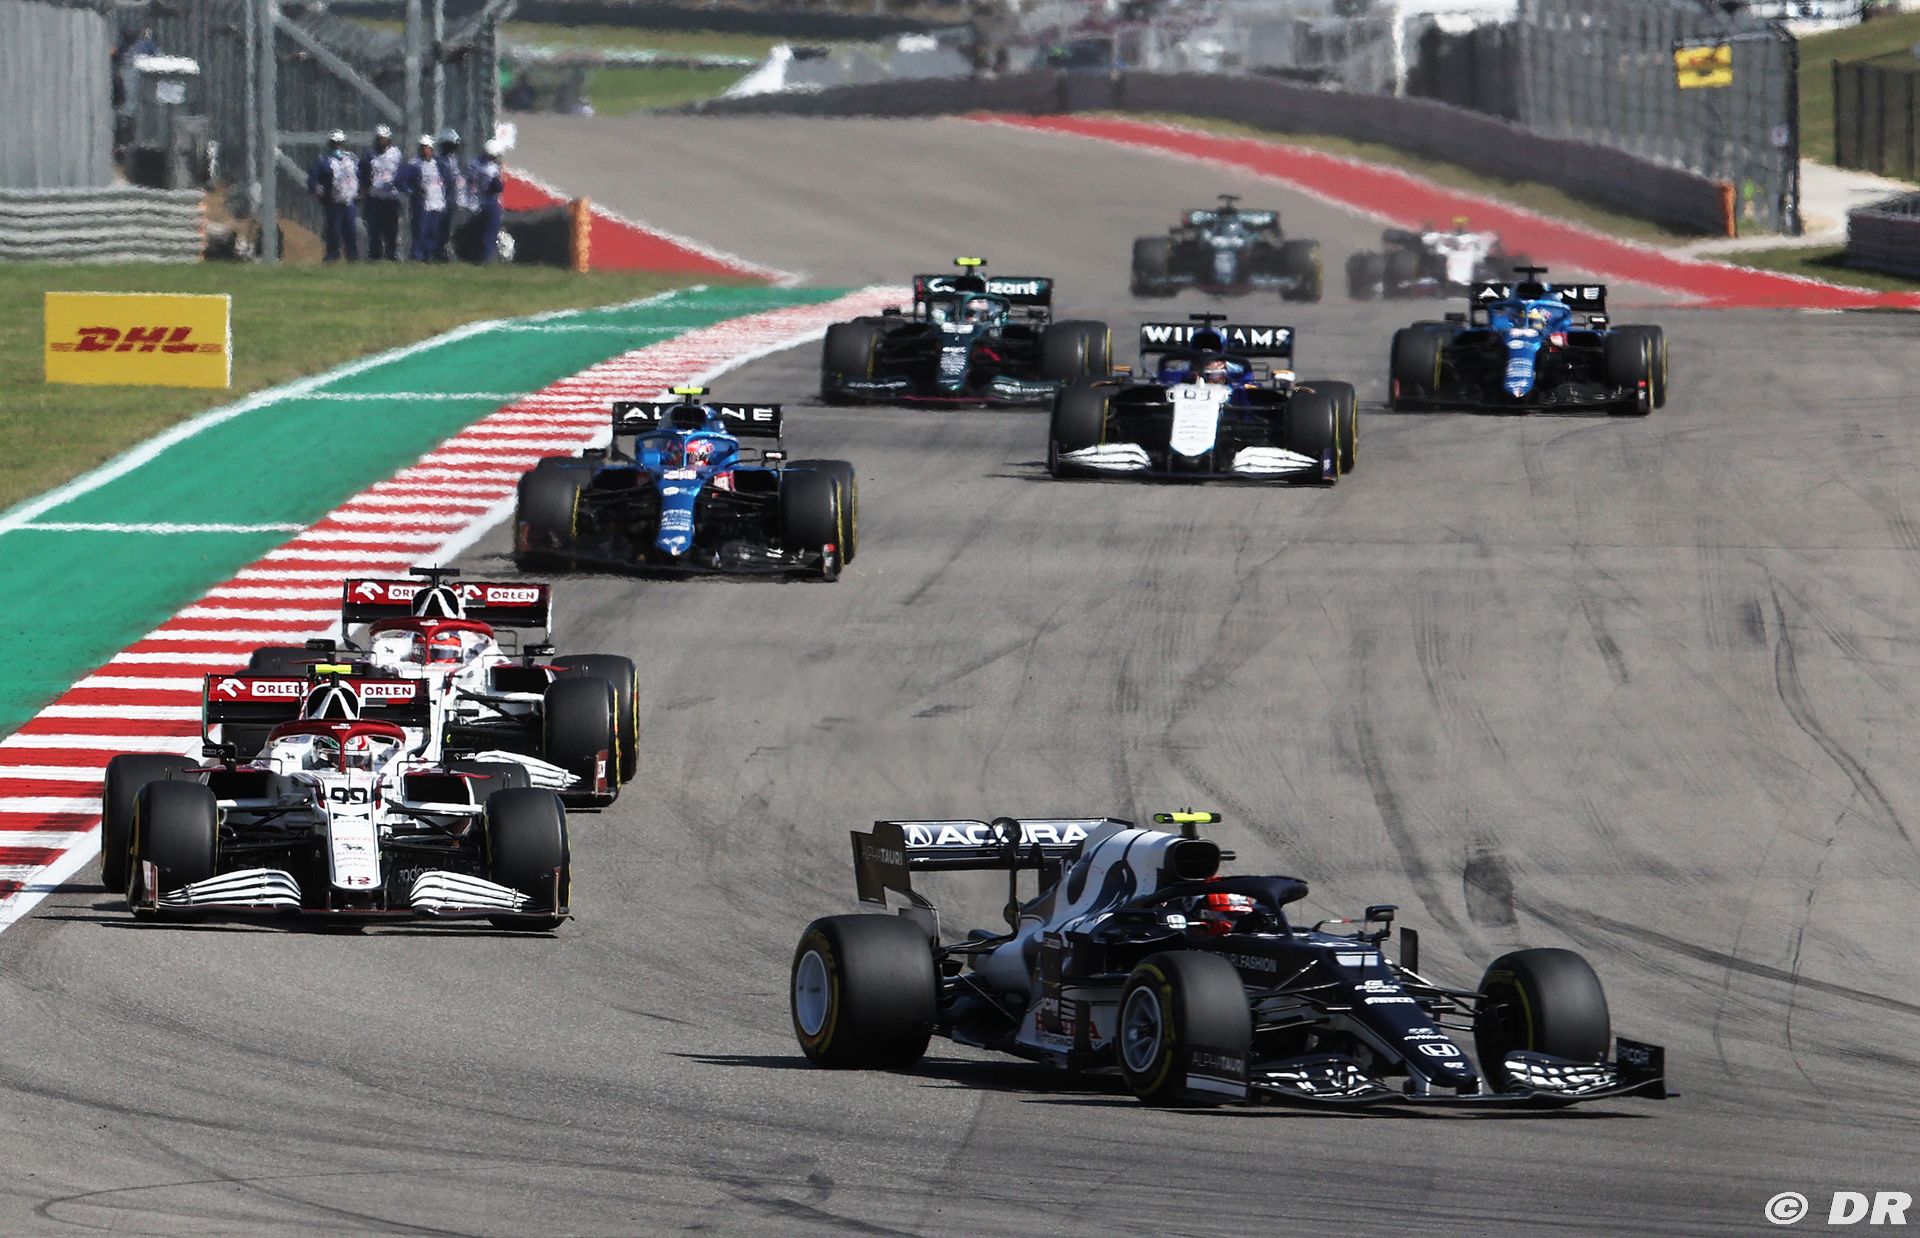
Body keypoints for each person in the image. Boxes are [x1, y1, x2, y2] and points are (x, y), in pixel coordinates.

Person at [306, 130, 361, 262]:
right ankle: (332, 256)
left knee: (351, 231)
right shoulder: (324, 161)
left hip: (349, 202)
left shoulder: (352, 161)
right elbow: (312, 180)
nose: (338, 146)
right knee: (333, 232)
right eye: (335, 143)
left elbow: (361, 175)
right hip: (333, 203)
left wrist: (360, 192)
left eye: (340, 143)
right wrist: (319, 194)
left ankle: (352, 256)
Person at [396, 134, 451, 262]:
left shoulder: (439, 164)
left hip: (438, 204)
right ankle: (417, 257)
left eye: (427, 148)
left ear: (431, 149)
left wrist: (446, 196)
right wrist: (412, 191)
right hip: (422, 205)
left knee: (435, 232)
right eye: (422, 148)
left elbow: (448, 181)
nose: (425, 151)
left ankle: (432, 257)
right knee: (420, 232)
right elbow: (399, 181)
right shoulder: (414, 164)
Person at [359, 124, 404, 261]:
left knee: (392, 228)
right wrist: (364, 191)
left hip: (391, 197)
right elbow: (363, 175)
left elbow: (402, 173)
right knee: (374, 228)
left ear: (388, 139)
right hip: (375, 197)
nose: (381, 141)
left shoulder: (396, 154)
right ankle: (375, 254)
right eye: (379, 139)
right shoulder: (369, 156)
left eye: (383, 139)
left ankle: (392, 253)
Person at [467, 138, 507, 264]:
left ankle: (477, 256)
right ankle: (486, 257)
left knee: (479, 230)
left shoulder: (475, 164)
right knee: (490, 231)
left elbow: (470, 179)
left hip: (477, 201)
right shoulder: (492, 169)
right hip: (491, 201)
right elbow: (498, 187)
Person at [438, 128, 470, 261]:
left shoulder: (453, 160)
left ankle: (445, 251)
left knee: (450, 228)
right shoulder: (440, 161)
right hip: (443, 201)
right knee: (441, 228)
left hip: (453, 200)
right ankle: (439, 252)